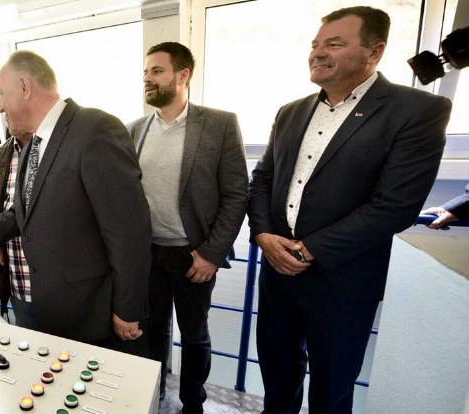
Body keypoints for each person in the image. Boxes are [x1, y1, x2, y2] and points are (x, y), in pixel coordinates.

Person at [247, 7, 451, 413]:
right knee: (277, 375)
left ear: (374, 52)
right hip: (277, 271)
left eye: (335, 44)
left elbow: (395, 206)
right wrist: (263, 235)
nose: (318, 53)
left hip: (343, 280)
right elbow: (263, 179)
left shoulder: (416, 111)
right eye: (315, 44)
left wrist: (308, 250)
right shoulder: (291, 112)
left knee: (332, 389)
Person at [0, 50, 152, 348]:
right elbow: (20, 214)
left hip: (89, 314)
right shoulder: (32, 144)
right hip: (44, 306)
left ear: (25, 88)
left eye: (1, 93)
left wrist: (127, 308)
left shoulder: (95, 129)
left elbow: (128, 230)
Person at [126, 41, 248, 413]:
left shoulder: (219, 124)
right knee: (152, 331)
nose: (147, 78)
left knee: (194, 335)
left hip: (194, 255)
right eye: (145, 72)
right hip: (148, 254)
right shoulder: (134, 130)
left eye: (157, 71)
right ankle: (154, 397)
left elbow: (236, 194)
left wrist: (211, 254)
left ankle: (193, 402)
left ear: (183, 76)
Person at [0, 131, 33, 320]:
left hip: (59, 283)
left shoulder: (56, 146)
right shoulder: (0, 153)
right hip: (18, 277)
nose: (4, 115)